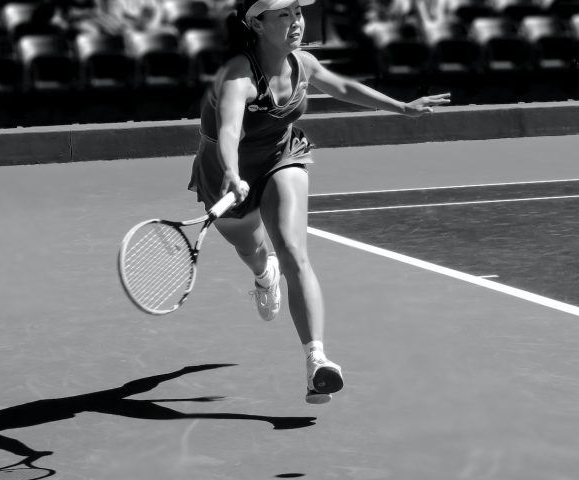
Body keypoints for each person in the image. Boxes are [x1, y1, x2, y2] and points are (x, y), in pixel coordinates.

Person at [187, 0, 450, 404]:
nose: (295, 21)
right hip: (225, 173)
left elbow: (342, 86)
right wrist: (232, 172)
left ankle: (317, 362)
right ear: (257, 25)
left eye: (297, 12)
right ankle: (263, 275)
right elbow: (228, 131)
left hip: (281, 156)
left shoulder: (302, 64)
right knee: (253, 250)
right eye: (283, 15)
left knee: (293, 249)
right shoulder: (237, 75)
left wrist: (401, 107)